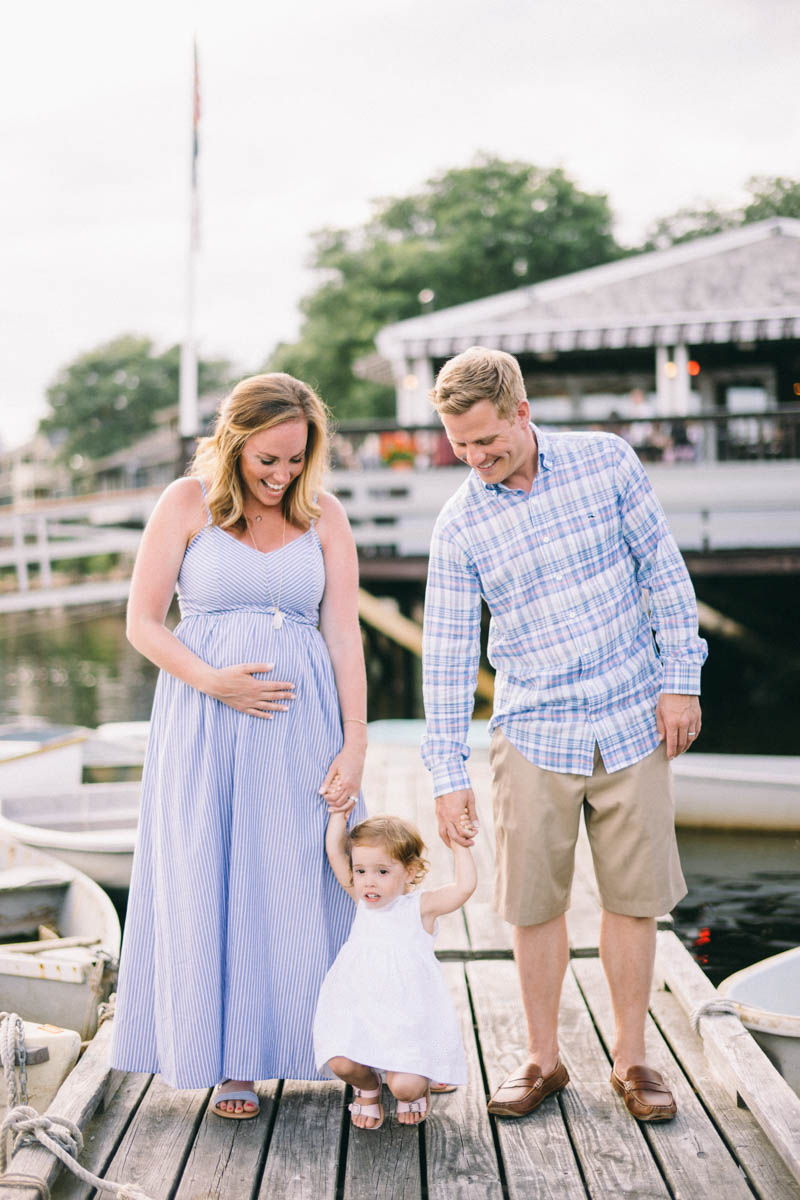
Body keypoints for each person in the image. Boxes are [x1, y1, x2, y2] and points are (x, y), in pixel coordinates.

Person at [421, 347, 707, 1123]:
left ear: (521, 410)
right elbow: (445, 654)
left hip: (631, 712)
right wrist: (446, 773)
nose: (476, 459)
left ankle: (633, 1059)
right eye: (461, 446)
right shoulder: (460, 524)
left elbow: (662, 570)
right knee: (532, 905)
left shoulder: (606, 462)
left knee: (635, 898)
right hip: (534, 730)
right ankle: (543, 1060)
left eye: (489, 441)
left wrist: (682, 677)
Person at [110, 373, 368, 1119]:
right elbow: (144, 623)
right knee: (214, 873)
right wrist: (214, 681)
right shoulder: (185, 504)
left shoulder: (324, 517)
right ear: (233, 441)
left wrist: (355, 745)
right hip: (206, 722)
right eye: (268, 461)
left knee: (307, 877)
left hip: (304, 724)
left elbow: (342, 633)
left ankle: (349, 1043)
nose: (282, 475)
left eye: (296, 460)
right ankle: (231, 1060)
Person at [312, 813, 477, 1128]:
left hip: (407, 1022)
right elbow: (335, 852)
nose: (368, 881)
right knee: (341, 1062)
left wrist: (459, 844)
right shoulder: (363, 901)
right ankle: (368, 1087)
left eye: (382, 871)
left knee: (404, 1087)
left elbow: (464, 887)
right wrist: (338, 815)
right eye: (360, 871)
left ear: (410, 871)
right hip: (360, 1012)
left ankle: (417, 1084)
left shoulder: (420, 908)